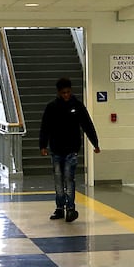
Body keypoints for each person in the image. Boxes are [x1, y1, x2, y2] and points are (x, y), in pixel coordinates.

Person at [39, 77, 100, 223]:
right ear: (59, 93)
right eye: (63, 93)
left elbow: (87, 125)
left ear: (71, 91)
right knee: (58, 181)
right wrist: (43, 146)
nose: (66, 95)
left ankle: (70, 208)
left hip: (71, 150)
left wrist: (95, 143)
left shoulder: (77, 106)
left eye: (68, 92)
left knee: (69, 179)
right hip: (56, 150)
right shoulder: (52, 107)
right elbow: (45, 128)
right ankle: (60, 207)